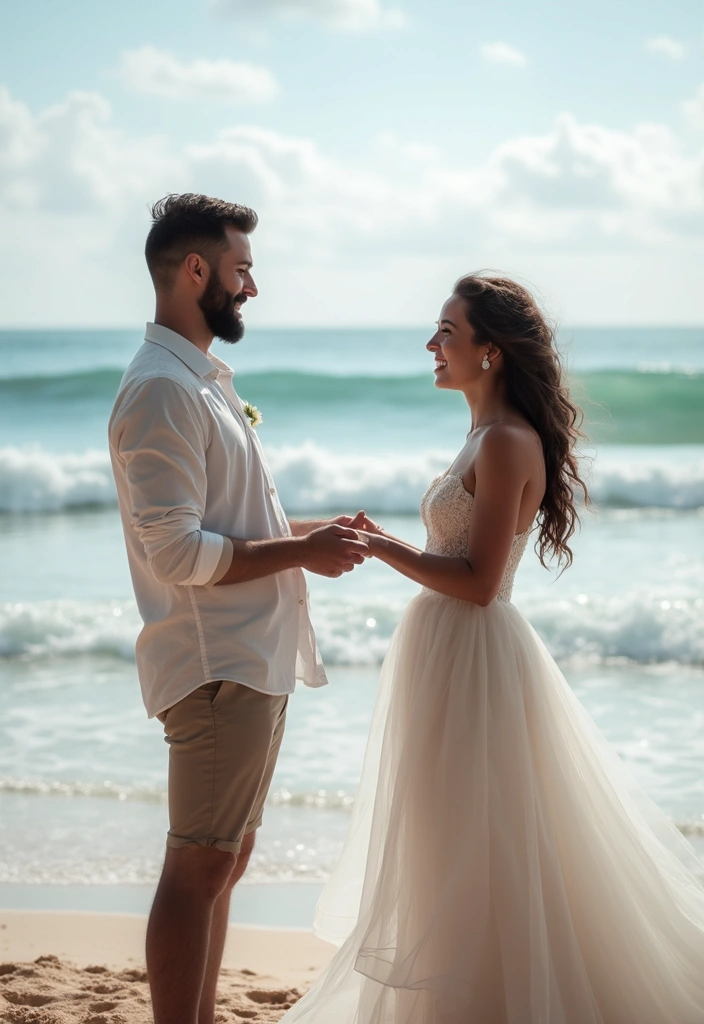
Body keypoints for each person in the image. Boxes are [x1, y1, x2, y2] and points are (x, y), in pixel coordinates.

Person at [281, 273, 704, 1023]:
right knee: (445, 844)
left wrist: (383, 548)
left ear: (492, 351)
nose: (432, 344)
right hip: (446, 651)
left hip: (475, 652)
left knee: (478, 845)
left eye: (448, 331)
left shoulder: (507, 441)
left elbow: (479, 581)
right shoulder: (481, 434)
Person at [107, 193, 368, 1024]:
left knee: (226, 858)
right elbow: (177, 553)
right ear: (195, 271)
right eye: (242, 269)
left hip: (251, 657)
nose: (252, 286)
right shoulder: (161, 391)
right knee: (199, 866)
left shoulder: (202, 381)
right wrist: (300, 553)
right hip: (217, 664)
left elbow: (231, 525)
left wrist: (310, 532)